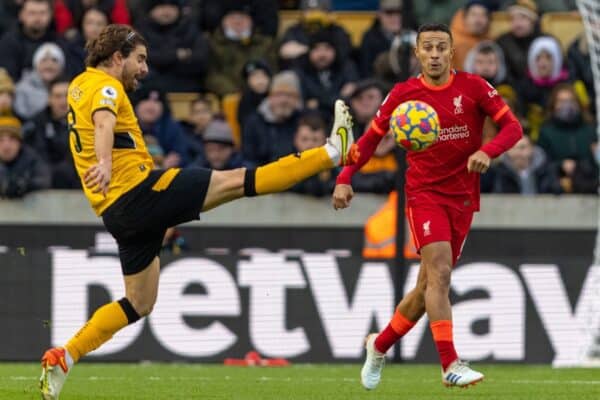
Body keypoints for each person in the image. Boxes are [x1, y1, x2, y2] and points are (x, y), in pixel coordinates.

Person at [38, 24, 354, 400]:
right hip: (139, 192)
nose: (144, 69)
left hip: (115, 212)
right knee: (238, 181)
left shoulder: (77, 84)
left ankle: (65, 356)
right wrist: (106, 162)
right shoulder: (107, 86)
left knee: (139, 302)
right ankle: (334, 151)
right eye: (139, 59)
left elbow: (99, 122)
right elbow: (104, 121)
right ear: (117, 57)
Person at [332, 23, 522, 389]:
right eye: (427, 48)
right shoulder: (404, 94)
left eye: (441, 48)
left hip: (464, 198)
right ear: (417, 54)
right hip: (424, 195)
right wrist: (344, 178)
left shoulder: (474, 87)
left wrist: (487, 151)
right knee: (441, 274)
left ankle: (379, 344)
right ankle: (450, 363)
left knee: (425, 289)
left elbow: (512, 128)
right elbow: (370, 141)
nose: (434, 54)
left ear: (452, 53)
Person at [0, 0, 58, 81]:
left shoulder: (59, 41)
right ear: (21, 15)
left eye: (43, 13)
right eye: (32, 13)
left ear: (51, 15)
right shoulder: (9, 42)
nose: (38, 18)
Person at [0, 115, 51, 198]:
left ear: (20, 142)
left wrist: (24, 186)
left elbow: (44, 181)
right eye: (1, 140)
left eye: (12, 139)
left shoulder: (32, 160)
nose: (6, 146)